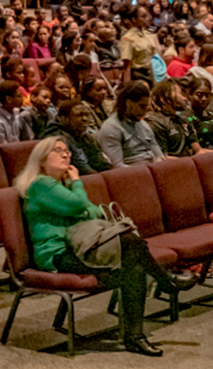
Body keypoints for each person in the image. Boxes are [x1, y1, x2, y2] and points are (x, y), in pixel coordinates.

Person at [16, 135, 192, 356]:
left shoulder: (58, 185)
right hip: (57, 255)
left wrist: (78, 202)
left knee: (133, 266)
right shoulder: (41, 184)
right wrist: (76, 182)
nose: (65, 154)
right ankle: (164, 284)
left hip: (78, 248)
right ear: (42, 160)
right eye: (58, 151)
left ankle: (139, 330)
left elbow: (94, 210)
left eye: (67, 151)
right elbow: (80, 204)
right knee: (129, 242)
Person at [97, 82, 165, 166]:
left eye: (146, 106)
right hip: (132, 174)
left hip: (153, 170)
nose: (145, 111)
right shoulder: (111, 128)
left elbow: (159, 156)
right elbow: (117, 166)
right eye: (141, 106)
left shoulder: (144, 125)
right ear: (128, 103)